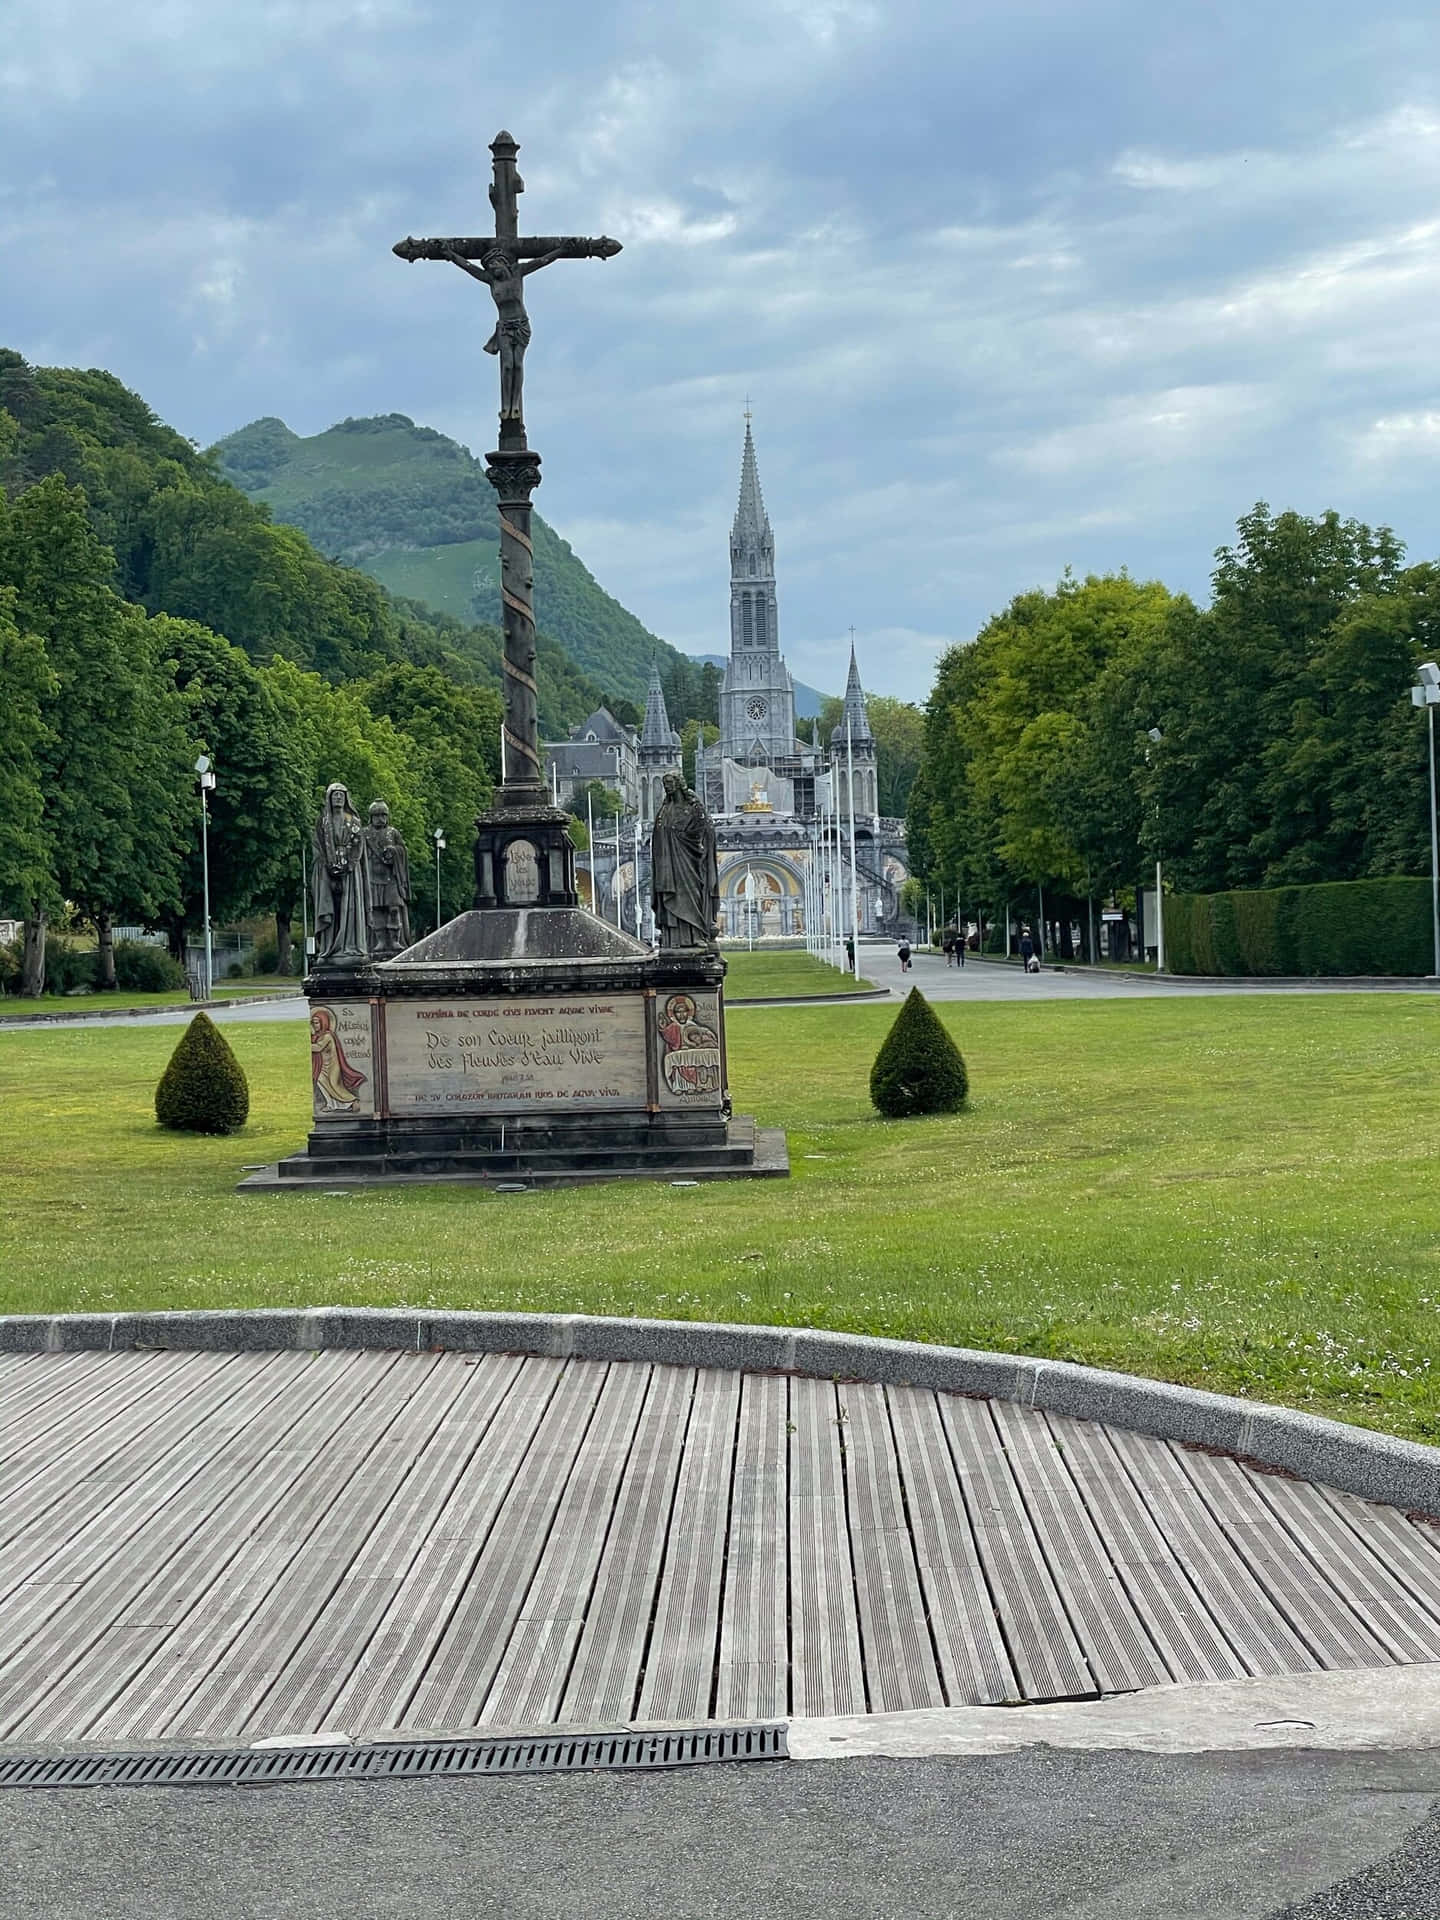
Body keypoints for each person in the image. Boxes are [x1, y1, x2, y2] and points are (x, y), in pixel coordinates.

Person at [651, 773, 720, 949]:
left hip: (689, 859)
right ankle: (672, 938)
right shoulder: (664, 810)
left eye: (670, 783)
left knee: (692, 896)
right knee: (671, 895)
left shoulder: (694, 807)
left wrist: (690, 839)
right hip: (668, 862)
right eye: (665, 783)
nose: (667, 786)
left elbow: (705, 830)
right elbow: (657, 835)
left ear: (679, 784)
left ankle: (696, 934)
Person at [312, 783, 371, 968]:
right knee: (330, 907)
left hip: (349, 871)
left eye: (341, 795)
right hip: (327, 870)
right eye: (334, 795)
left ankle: (349, 946)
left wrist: (350, 864)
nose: (338, 798)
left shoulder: (353, 820)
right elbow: (318, 845)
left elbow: (358, 845)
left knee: (349, 908)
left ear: (346, 799)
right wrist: (326, 864)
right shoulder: (323, 821)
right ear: (329, 798)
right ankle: (330, 948)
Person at [364, 800, 412, 958]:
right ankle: (381, 941)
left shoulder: (393, 833)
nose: (380, 819)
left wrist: (394, 851)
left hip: (391, 877)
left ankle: (394, 939)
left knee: (393, 908)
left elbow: (403, 851)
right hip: (372, 877)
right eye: (376, 815)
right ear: (371, 817)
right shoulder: (365, 834)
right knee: (377, 910)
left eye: (383, 815)